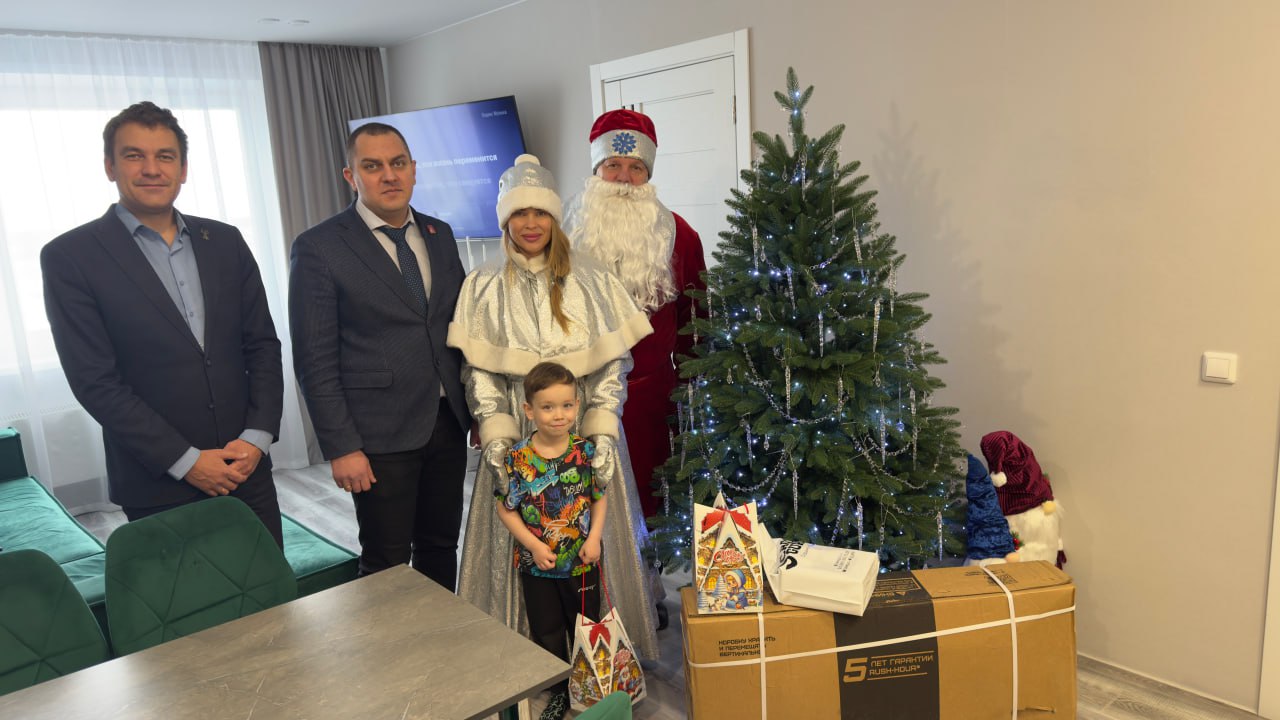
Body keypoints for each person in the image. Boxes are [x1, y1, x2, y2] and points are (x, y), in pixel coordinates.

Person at [42, 101, 285, 545]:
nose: (152, 169)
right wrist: (186, 461)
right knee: (184, 594)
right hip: (156, 482)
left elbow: (263, 346)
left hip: (245, 468)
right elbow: (95, 381)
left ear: (183, 169)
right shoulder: (70, 257)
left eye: (165, 156)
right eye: (134, 155)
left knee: (269, 587)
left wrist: (257, 438)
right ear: (110, 167)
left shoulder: (225, 241)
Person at [448, 154, 661, 661]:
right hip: (520, 437)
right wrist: (497, 435)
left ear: (553, 217)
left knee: (594, 541)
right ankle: (527, 655)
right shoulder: (482, 284)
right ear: (505, 219)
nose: (530, 224)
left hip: (581, 430)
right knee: (520, 538)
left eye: (540, 212)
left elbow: (612, 365)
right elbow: (479, 371)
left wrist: (602, 430)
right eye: (519, 213)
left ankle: (602, 657)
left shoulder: (591, 279)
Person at [289, 122, 470, 588]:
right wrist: (341, 447)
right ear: (351, 176)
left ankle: (442, 632)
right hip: (376, 436)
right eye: (372, 166)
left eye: (398, 163)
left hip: (447, 423)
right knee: (386, 562)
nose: (389, 175)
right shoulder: (320, 247)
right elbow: (314, 360)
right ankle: (389, 641)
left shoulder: (440, 234)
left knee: (440, 546)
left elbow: (456, 326)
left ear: (413, 169)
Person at [564, 109, 708, 526]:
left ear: (648, 175)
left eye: (636, 168)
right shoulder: (566, 231)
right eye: (613, 165)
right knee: (582, 502)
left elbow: (695, 318)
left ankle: (649, 568)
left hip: (651, 399)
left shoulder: (681, 235)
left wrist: (692, 390)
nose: (624, 178)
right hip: (577, 394)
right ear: (596, 169)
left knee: (651, 502)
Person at [498, 362, 605, 720]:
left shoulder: (586, 453)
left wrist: (595, 537)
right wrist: (533, 545)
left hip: (582, 563)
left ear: (577, 405)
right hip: (537, 567)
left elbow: (599, 498)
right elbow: (505, 509)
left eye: (566, 405)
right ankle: (559, 691)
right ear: (529, 410)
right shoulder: (517, 459)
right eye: (548, 407)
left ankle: (589, 685)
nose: (559, 415)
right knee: (547, 631)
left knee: (584, 626)